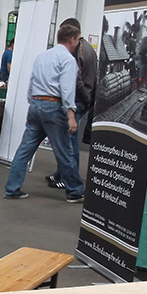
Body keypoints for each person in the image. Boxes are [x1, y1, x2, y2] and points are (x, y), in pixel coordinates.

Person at [3, 23, 84, 203]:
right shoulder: (68, 60)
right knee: (64, 151)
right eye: (78, 39)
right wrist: (70, 115)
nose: (79, 43)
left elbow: (31, 84)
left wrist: (34, 103)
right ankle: (75, 191)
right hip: (54, 107)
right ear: (72, 39)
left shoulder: (42, 57)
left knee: (24, 150)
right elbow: (67, 89)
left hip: (36, 106)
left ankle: (12, 188)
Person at [46, 18, 97, 190]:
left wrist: (83, 99)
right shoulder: (90, 48)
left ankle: (70, 179)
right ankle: (61, 174)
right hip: (84, 98)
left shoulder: (77, 50)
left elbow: (75, 80)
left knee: (69, 141)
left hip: (77, 99)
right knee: (67, 139)